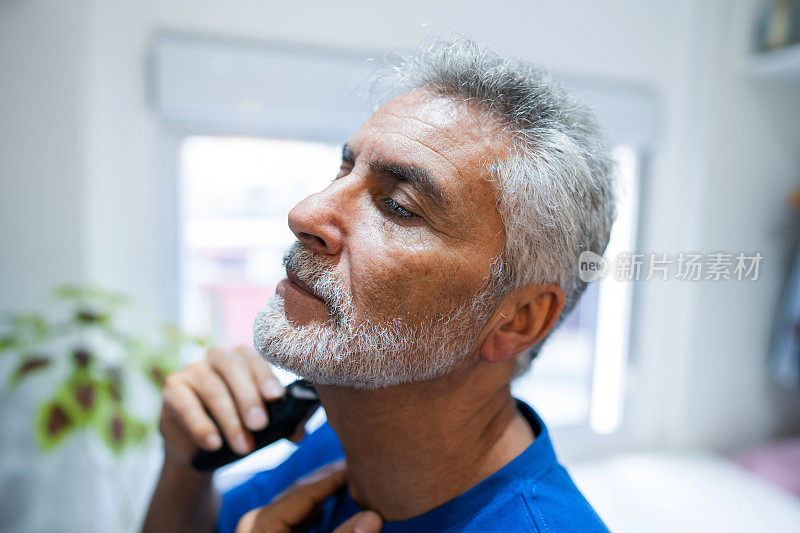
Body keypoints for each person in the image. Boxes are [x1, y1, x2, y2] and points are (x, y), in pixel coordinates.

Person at [142, 36, 615, 533]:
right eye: (343, 171)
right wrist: (185, 467)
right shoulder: (341, 436)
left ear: (518, 319)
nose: (304, 214)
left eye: (399, 206)